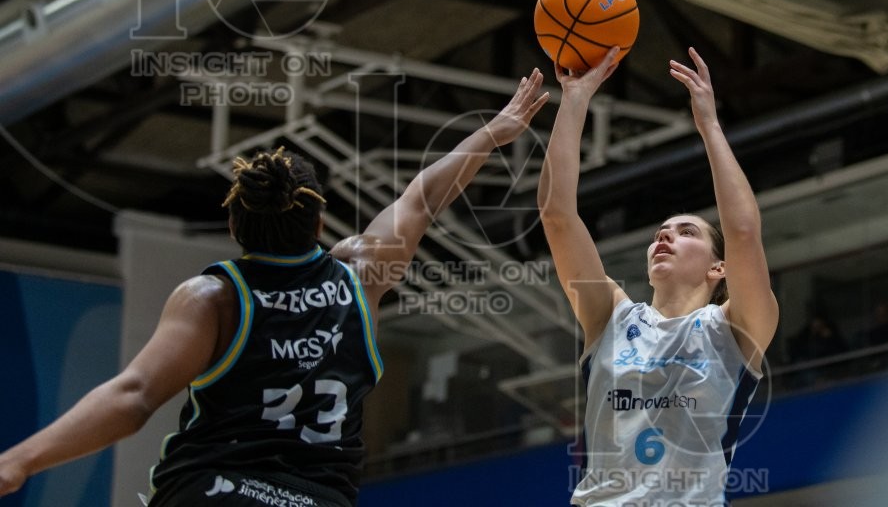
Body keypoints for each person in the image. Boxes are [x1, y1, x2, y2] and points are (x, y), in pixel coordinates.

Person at [0, 69, 550, 507]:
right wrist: (495, 129)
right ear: (318, 226)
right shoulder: (360, 277)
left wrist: (20, 460)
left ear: (235, 228)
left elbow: (135, 397)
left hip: (213, 490)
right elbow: (422, 199)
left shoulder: (213, 298)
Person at [538, 47, 779, 506]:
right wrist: (574, 97)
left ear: (718, 268)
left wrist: (709, 125)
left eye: (685, 232)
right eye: (659, 233)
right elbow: (556, 216)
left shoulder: (736, 328)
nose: (664, 238)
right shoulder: (610, 316)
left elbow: (744, 232)